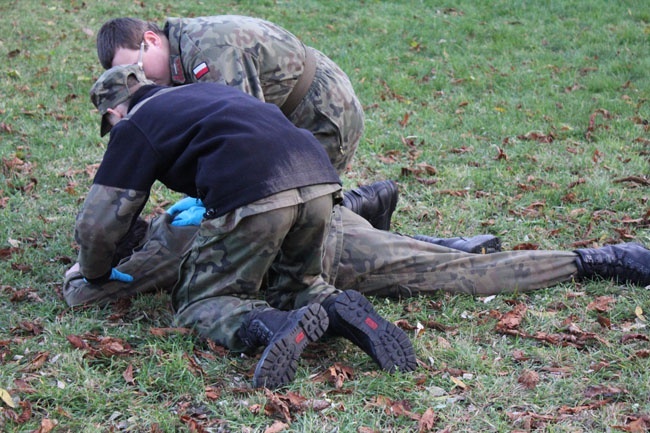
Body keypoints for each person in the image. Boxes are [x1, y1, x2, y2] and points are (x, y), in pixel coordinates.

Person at [75, 63, 416, 389]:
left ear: (114, 112)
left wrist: (94, 272)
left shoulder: (133, 124)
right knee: (298, 285)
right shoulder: (203, 92)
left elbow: (98, 225)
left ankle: (274, 325)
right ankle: (336, 308)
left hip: (256, 192)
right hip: (318, 180)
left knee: (201, 302)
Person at [93, 15, 500, 254]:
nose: (142, 82)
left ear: (150, 40)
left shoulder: (205, 52)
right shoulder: (180, 54)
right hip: (294, 116)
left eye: (140, 70)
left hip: (322, 115)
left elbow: (241, 144)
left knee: (303, 231)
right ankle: (367, 205)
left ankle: (447, 248)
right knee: (294, 219)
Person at [65, 196, 650, 308]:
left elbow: (85, 295)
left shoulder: (164, 246)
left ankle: (598, 259)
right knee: (416, 256)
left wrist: (82, 266)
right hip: (317, 207)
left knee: (457, 277)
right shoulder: (182, 204)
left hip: (326, 253)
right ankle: (420, 230)